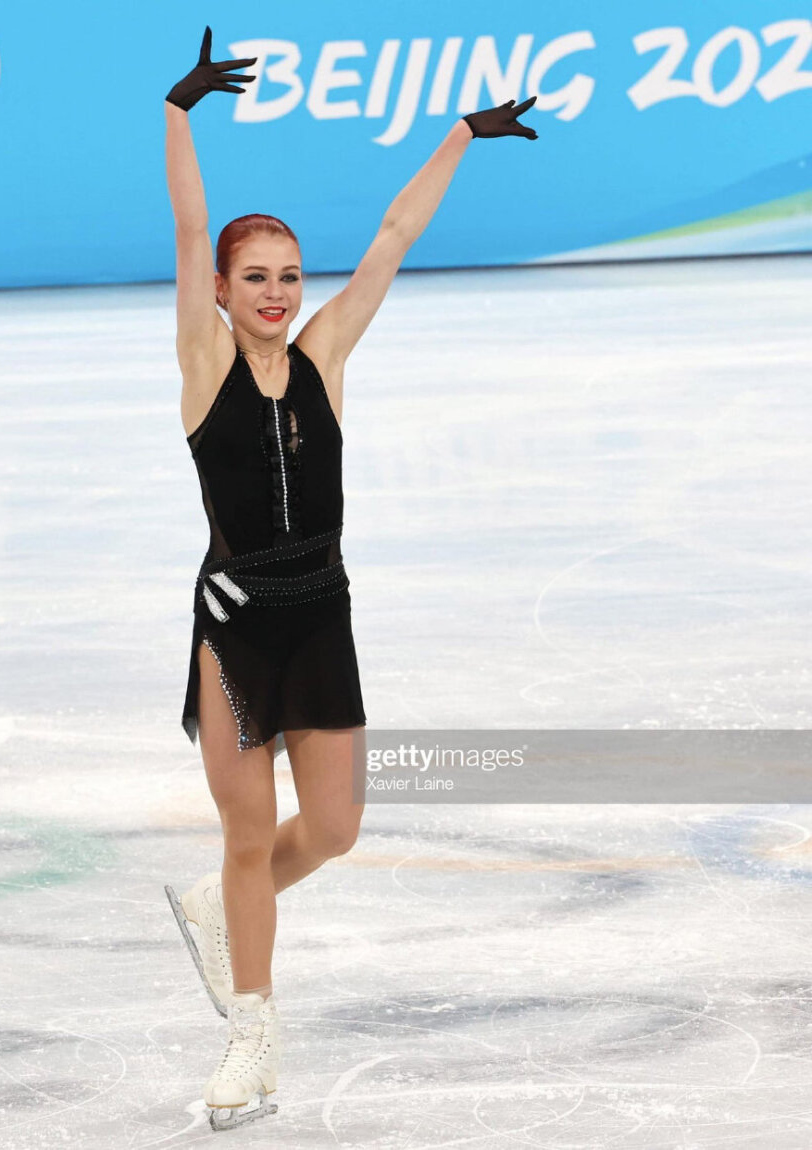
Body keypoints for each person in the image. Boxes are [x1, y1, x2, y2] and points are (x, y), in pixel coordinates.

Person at [162, 25, 538, 1132]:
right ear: (223, 291)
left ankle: (216, 910)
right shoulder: (202, 362)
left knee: (328, 832)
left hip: (320, 618)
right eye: (255, 278)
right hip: (234, 629)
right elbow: (187, 228)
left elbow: (391, 236)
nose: (277, 293)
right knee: (246, 835)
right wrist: (178, 116)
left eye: (288, 276)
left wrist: (460, 134)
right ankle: (252, 1039)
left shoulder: (324, 360)